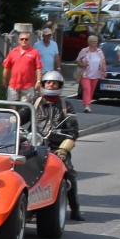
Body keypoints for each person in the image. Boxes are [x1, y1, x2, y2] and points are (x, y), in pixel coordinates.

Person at [36, 72, 85, 222]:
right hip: (36, 145)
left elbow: (73, 132)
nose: (51, 85)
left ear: (59, 86)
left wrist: (63, 150)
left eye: (54, 83)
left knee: (69, 173)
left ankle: (75, 209)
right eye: (48, 82)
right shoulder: (35, 102)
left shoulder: (66, 106)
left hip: (57, 148)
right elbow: (19, 119)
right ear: (43, 84)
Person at [2, 30, 42, 102]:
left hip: (28, 86)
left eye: (26, 39)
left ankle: (20, 113)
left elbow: (38, 68)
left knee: (25, 108)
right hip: (13, 85)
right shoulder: (13, 52)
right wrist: (4, 80)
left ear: (30, 41)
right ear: (19, 40)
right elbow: (6, 67)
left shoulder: (35, 52)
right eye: (22, 39)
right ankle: (14, 114)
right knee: (11, 105)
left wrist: (38, 81)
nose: (24, 41)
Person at [74, 35, 106, 112]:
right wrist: (82, 64)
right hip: (85, 74)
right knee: (87, 89)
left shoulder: (99, 51)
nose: (95, 43)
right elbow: (78, 60)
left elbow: (103, 61)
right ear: (89, 42)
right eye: (93, 41)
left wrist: (104, 71)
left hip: (96, 74)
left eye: (96, 41)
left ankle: (87, 104)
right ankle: (87, 106)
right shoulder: (84, 51)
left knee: (91, 90)